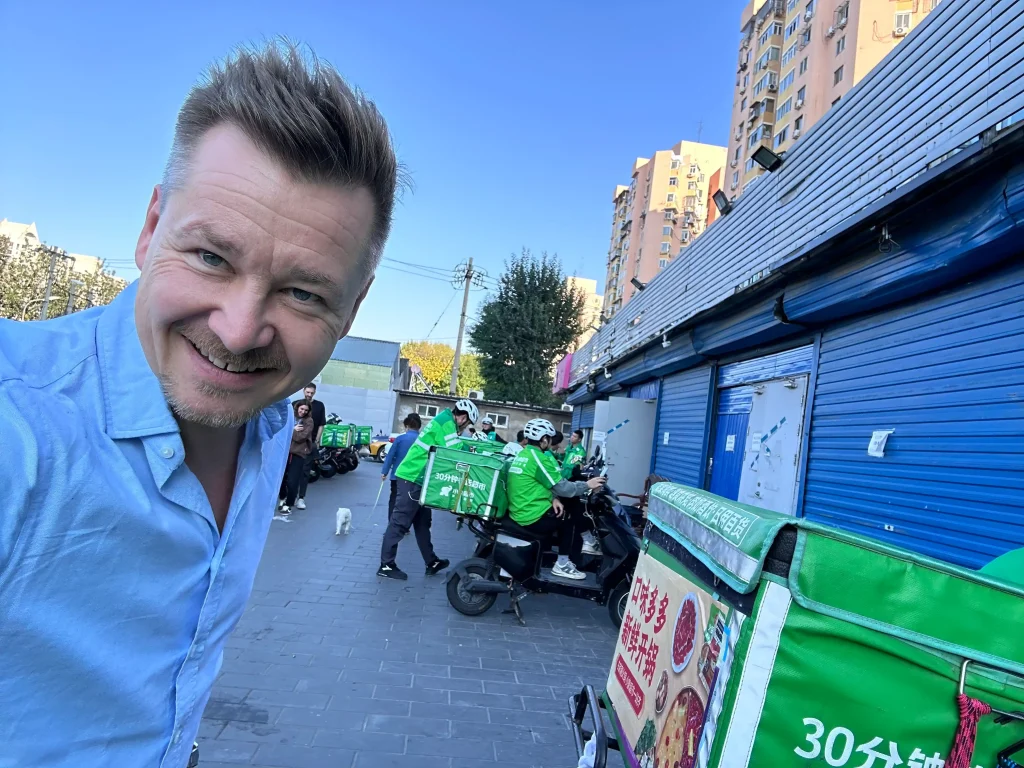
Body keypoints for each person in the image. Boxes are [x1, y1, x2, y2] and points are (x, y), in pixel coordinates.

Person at [0, 41, 398, 766]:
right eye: (212, 257)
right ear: (151, 228)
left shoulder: (270, 423)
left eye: (304, 293)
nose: (238, 331)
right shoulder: (19, 423)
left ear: (354, 305)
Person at [379, 398, 479, 580]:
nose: (465, 428)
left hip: (420, 479)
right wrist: (474, 451)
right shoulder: (446, 422)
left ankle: (431, 561)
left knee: (423, 522)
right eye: (467, 424)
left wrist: (471, 446)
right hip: (413, 477)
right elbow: (454, 450)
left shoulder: (446, 420)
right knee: (400, 522)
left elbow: (452, 446)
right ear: (463, 417)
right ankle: (386, 565)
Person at [506, 419, 605, 580]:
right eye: (550, 438)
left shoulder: (525, 454)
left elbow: (540, 483)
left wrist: (553, 498)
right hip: (530, 514)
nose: (551, 441)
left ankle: (587, 542)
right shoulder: (538, 458)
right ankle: (563, 563)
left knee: (568, 503)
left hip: (524, 506)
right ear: (544, 439)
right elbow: (564, 488)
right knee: (569, 516)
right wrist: (588, 484)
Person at [279, 400, 315, 518]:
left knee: (292, 480)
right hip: (285, 452)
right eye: (301, 409)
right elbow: (281, 431)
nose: (303, 412)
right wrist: (293, 428)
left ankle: (289, 504)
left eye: (306, 410)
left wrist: (290, 430)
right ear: (297, 407)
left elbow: (301, 437)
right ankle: (282, 498)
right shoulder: (290, 417)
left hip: (298, 453)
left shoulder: (309, 421)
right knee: (282, 478)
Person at [381, 413, 421, 519]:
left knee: (394, 500)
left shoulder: (400, 439)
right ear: (419, 427)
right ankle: (405, 525)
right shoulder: (423, 441)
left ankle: (392, 522)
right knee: (411, 502)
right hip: (415, 477)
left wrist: (384, 472)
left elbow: (390, 456)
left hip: (397, 476)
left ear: (407, 426)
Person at [294, 382, 327, 509]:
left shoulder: (319, 406)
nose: (309, 395)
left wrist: (317, 441)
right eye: (307, 392)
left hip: (309, 443)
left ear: (315, 392)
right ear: (303, 391)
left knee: (305, 471)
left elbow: (321, 424)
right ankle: (286, 496)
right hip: (294, 442)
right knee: (291, 471)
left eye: (312, 393)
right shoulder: (296, 404)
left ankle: (301, 498)